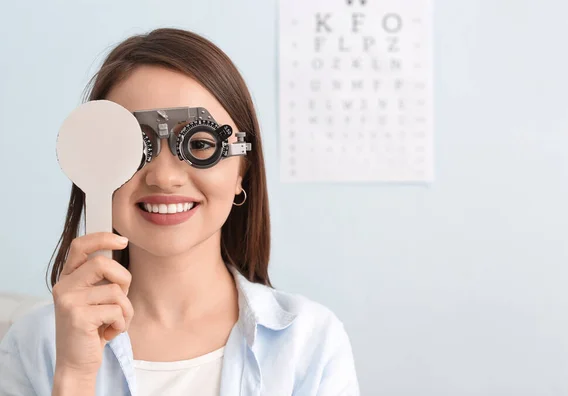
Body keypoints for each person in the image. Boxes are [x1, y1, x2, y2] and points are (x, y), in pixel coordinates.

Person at [0, 28, 359, 396]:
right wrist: (75, 376)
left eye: (201, 144)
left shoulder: (310, 343)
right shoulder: (33, 345)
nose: (164, 177)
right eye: (135, 147)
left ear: (241, 171)